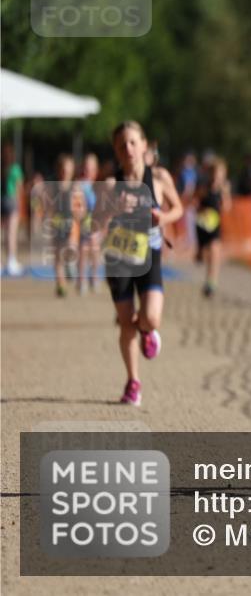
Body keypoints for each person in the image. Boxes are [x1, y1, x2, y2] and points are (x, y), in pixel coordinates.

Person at [92, 121, 183, 406]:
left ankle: (147, 331)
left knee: (151, 317)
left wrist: (162, 218)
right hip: (118, 259)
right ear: (116, 152)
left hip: (149, 255)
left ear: (144, 145)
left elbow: (178, 208)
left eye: (133, 142)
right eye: (122, 145)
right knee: (125, 324)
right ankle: (133, 382)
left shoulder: (159, 178)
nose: (128, 149)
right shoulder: (110, 184)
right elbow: (94, 224)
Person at [195, 158, 232, 298]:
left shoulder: (224, 188)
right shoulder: (204, 187)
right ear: (211, 173)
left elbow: (227, 207)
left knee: (215, 252)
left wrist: (224, 193)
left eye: (221, 173)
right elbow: (197, 203)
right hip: (202, 224)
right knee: (205, 254)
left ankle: (211, 282)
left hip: (215, 224)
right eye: (215, 172)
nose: (218, 175)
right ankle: (199, 253)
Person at [48, 155, 84, 297]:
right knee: (57, 255)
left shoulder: (75, 187)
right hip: (57, 223)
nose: (65, 171)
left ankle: (70, 265)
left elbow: (81, 207)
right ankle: (60, 285)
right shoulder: (53, 187)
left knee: (70, 247)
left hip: (71, 224)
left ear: (72, 169)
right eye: (63, 168)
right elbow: (49, 206)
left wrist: (78, 213)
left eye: (68, 168)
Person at [76, 153, 101, 294]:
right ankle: (81, 279)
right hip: (83, 221)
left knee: (95, 249)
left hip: (95, 221)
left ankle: (94, 277)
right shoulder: (79, 184)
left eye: (91, 168)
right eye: (86, 167)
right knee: (83, 250)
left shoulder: (97, 185)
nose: (87, 171)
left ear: (96, 170)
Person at [1, 142, 25, 275]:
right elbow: (19, 186)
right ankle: (11, 261)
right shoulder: (15, 168)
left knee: (2, 233)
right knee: (11, 233)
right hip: (11, 200)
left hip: (1, 199)